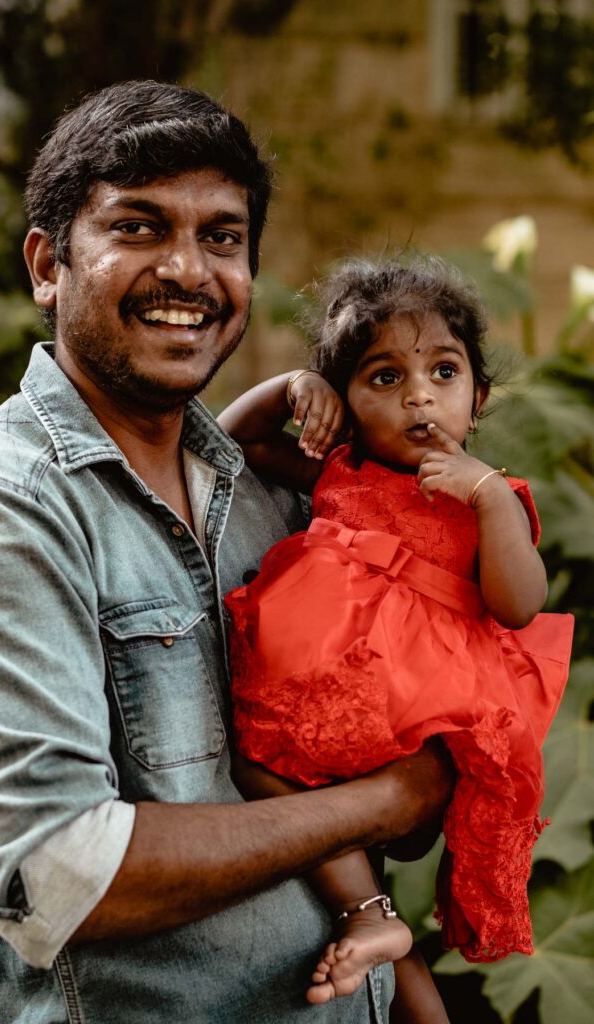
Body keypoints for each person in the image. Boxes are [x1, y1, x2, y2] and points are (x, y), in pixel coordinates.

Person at [0, 82, 453, 1023]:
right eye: (138, 227)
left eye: (222, 237)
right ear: (46, 265)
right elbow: (58, 878)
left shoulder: (272, 493)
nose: (187, 270)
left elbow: (394, 795)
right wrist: (382, 801)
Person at [220, 256, 573, 1010]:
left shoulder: (489, 497)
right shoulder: (340, 469)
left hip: (419, 704)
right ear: (345, 405)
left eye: (443, 372)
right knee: (258, 770)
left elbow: (519, 605)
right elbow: (232, 441)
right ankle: (370, 915)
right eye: (384, 378)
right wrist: (291, 388)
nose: (419, 394)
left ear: (477, 399)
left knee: (297, 787)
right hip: (325, 696)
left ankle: (375, 919)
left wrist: (487, 498)